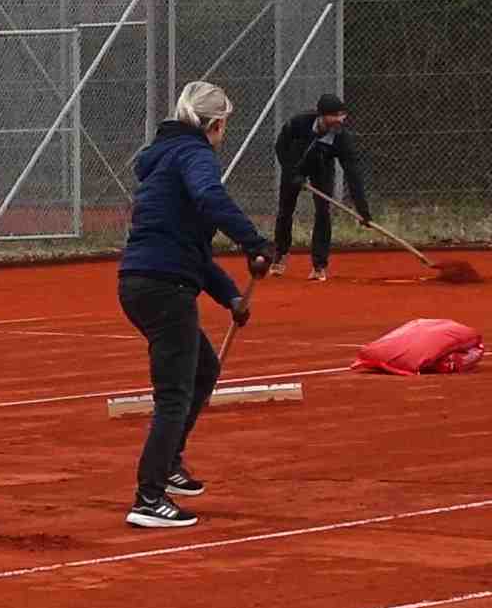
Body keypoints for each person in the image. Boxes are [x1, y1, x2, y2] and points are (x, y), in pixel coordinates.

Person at [119, 78, 274, 532]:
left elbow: (193, 253)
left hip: (145, 282)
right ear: (215, 124)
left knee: (203, 370)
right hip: (165, 288)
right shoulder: (194, 156)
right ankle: (149, 496)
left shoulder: (165, 157)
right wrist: (253, 242)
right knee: (174, 395)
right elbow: (211, 199)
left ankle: (168, 466)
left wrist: (230, 297)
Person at [271, 92, 367, 281]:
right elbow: (280, 146)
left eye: (342, 115)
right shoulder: (299, 123)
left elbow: (352, 172)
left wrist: (362, 209)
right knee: (285, 210)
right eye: (335, 115)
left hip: (322, 168)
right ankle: (281, 253)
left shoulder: (342, 138)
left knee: (323, 212)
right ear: (321, 115)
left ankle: (319, 265)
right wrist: (292, 173)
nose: (340, 119)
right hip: (295, 164)